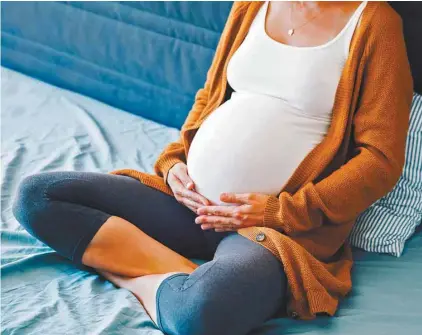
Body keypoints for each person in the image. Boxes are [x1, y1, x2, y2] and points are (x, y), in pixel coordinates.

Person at [12, 2, 413, 335]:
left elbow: (379, 159)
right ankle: (176, 275)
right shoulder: (253, 4)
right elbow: (212, 96)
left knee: (201, 314)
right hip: (191, 204)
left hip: (271, 229)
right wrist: (174, 165)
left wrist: (278, 211)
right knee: (37, 196)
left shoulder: (373, 22)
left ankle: (132, 273)